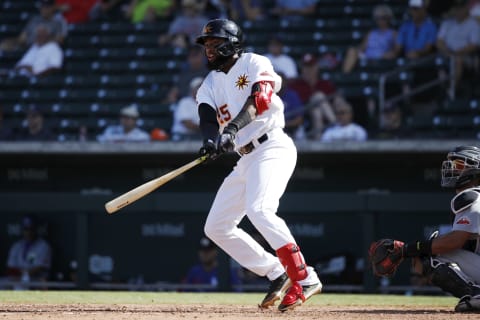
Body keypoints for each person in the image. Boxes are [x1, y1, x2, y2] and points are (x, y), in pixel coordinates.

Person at [195, 19, 322, 312]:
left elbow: (260, 100)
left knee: (260, 209)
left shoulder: (253, 61)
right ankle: (276, 271)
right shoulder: (210, 82)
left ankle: (304, 277)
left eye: (214, 43)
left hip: (272, 146)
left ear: (231, 42)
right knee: (216, 227)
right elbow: (205, 117)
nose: (209, 50)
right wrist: (210, 141)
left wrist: (231, 130)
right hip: (245, 157)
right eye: (206, 45)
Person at [369, 145, 480, 313]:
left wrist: (408, 249)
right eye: (450, 164)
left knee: (429, 254)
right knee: (426, 253)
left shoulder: (471, 196)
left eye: (458, 165)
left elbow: (454, 241)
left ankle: (475, 295)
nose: (451, 169)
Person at [289, 53, 336, 140]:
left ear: (316, 67)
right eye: (306, 67)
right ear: (302, 68)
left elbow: (335, 100)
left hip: (322, 113)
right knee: (318, 97)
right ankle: (336, 124)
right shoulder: (296, 85)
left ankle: (319, 139)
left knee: (316, 110)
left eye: (311, 66)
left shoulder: (324, 84)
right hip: (304, 115)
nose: (308, 70)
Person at [342, 5, 397, 73]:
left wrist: (385, 55)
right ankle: (345, 76)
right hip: (368, 56)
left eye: (383, 18)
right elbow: (362, 48)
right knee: (351, 50)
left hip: (380, 57)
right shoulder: (371, 33)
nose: (380, 21)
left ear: (389, 18)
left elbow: (395, 51)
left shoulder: (393, 33)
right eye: (378, 18)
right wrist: (355, 51)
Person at [436, 0, 480, 84]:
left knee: (457, 60)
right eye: (456, 8)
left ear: (466, 8)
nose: (458, 10)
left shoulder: (474, 24)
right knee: (438, 61)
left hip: (465, 56)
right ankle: (441, 88)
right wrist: (447, 51)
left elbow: (474, 45)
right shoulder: (447, 22)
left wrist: (456, 53)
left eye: (461, 8)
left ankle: (452, 90)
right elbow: (439, 41)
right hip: (446, 54)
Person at [0, 0, 68, 52]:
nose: (44, 9)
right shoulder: (34, 20)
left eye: (47, 7)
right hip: (29, 48)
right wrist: (11, 42)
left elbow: (60, 40)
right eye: (42, 7)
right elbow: (22, 39)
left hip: (45, 49)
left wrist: (42, 42)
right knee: (4, 45)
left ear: (53, 7)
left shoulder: (59, 21)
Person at [6, 215, 52, 286]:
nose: (29, 232)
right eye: (26, 229)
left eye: (31, 229)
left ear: (36, 229)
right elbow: (11, 267)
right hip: (16, 279)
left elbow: (39, 268)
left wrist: (24, 274)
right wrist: (20, 274)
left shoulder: (43, 246)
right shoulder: (17, 246)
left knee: (21, 287)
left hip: (36, 280)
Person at [171, 77, 202, 141]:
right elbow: (187, 124)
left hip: (198, 137)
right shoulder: (184, 102)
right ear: (192, 90)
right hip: (181, 137)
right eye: (198, 87)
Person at [277, 73, 305, 140]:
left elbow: (299, 119)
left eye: (281, 81)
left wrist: (284, 125)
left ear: (285, 82)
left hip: (291, 129)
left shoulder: (292, 95)